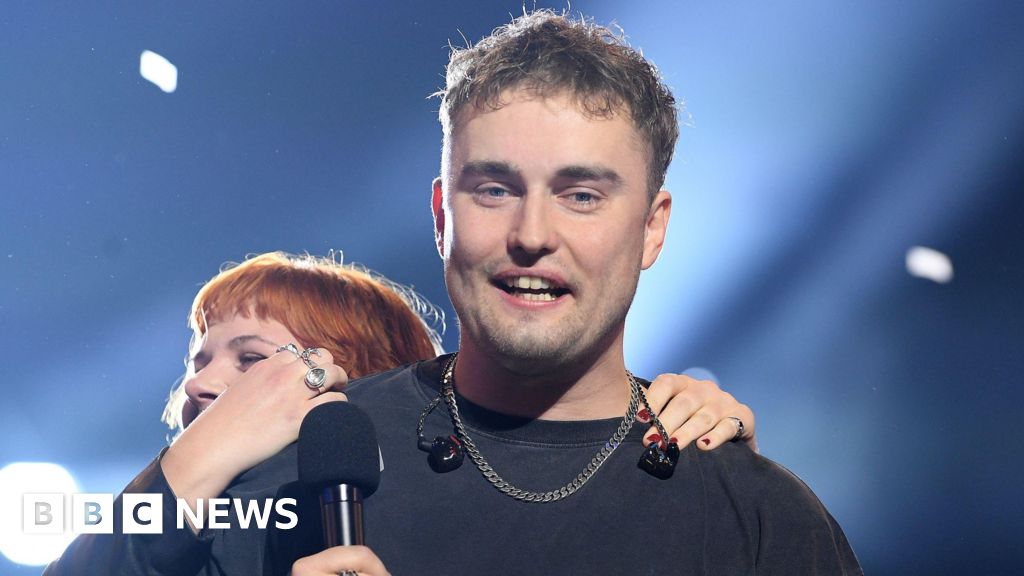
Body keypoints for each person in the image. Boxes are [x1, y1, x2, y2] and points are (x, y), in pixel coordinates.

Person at [216, 10, 862, 576]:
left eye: (581, 196)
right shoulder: (303, 467)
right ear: (442, 216)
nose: (531, 235)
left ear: (652, 228)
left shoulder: (759, 518)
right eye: (495, 190)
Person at [44, 251, 756, 575]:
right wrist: (193, 464)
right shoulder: (205, 534)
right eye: (198, 360)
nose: (201, 385)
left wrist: (720, 479)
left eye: (250, 359)